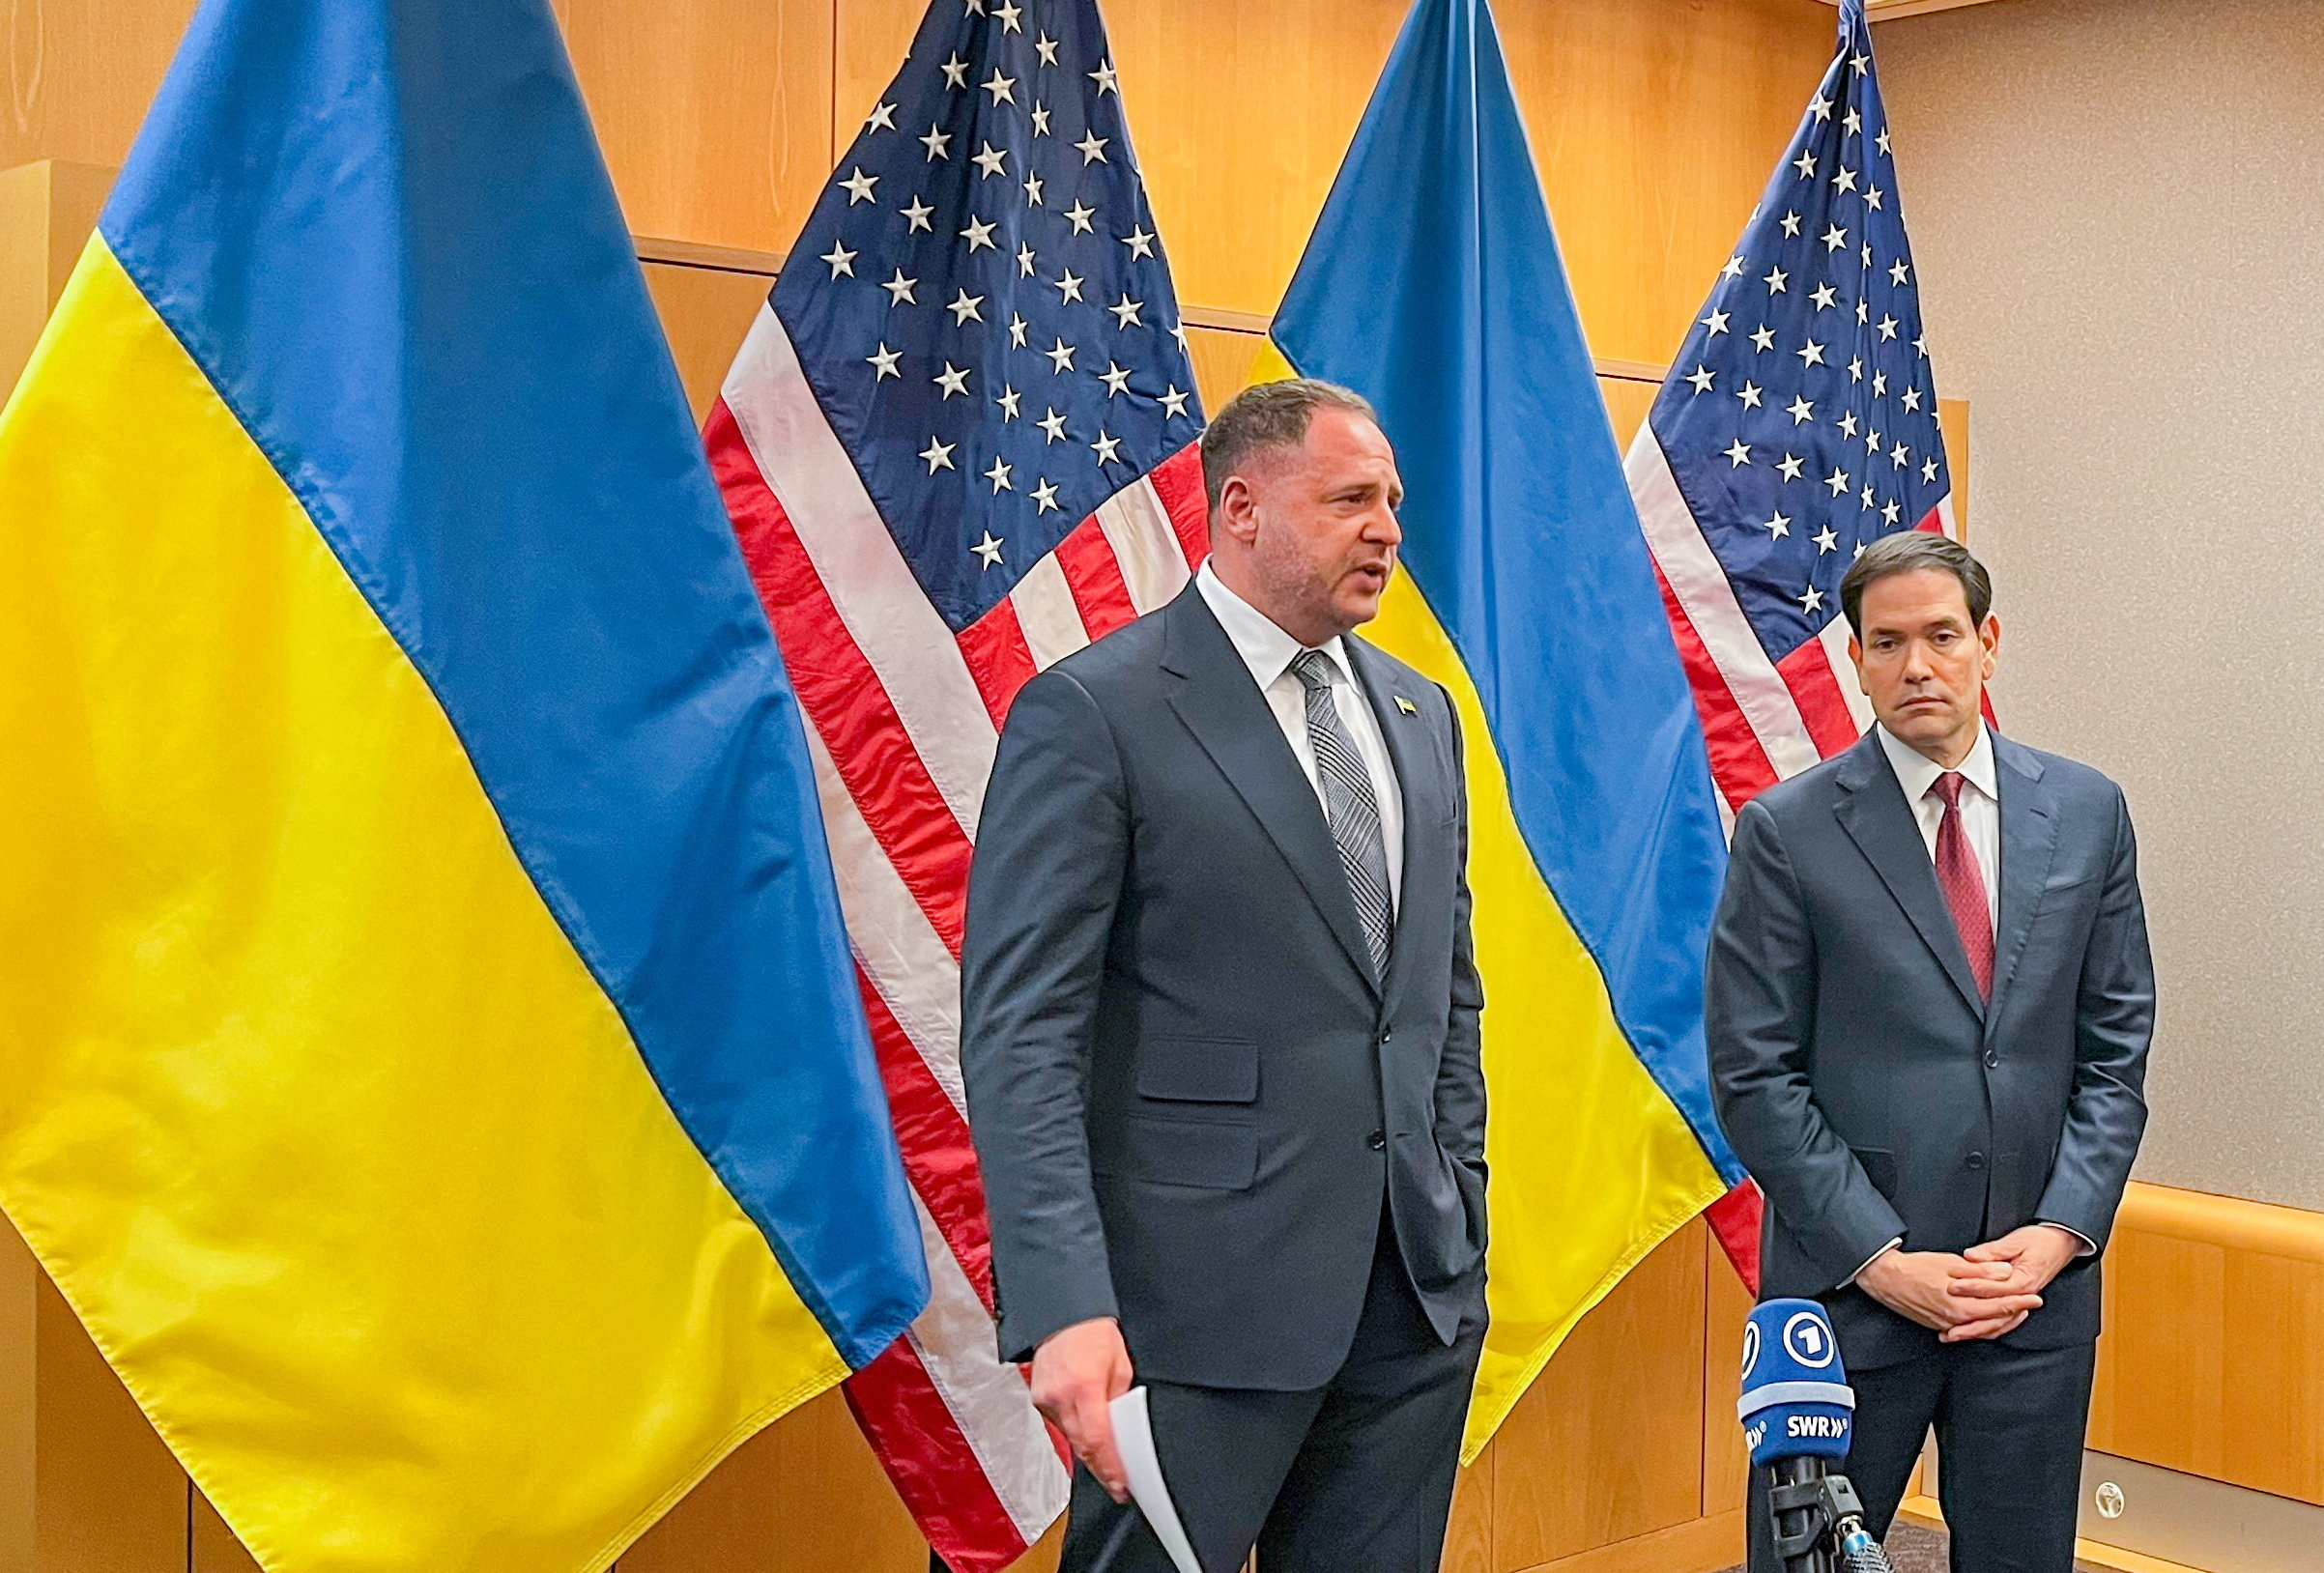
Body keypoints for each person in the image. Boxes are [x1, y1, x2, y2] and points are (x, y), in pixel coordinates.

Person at [960, 378, 1487, 1572]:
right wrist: (1060, 1301)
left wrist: (1459, 1201)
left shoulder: (1419, 711)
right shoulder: (1096, 709)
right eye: (1351, 498)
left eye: (1393, 500)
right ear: (1239, 508)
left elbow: (1441, 996)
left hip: (1410, 1300)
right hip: (1184, 1316)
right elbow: (1021, 1033)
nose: (1389, 528)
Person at [1708, 530, 2154, 1573]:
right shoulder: (1785, 829)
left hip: (2031, 1293)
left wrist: (2058, 1231)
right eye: (1888, 641)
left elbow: (2112, 1046)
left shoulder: (2086, 812)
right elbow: (1752, 1075)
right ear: (1856, 659)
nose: (1917, 665)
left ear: (1985, 643)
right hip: (1850, 1294)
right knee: (1807, 1562)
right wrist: (1883, 1259)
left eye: (1941, 636)